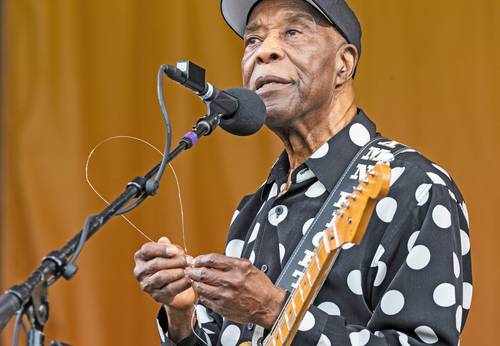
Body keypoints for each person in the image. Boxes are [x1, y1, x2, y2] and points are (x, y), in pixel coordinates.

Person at [133, 0, 472, 345]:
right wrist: (181, 317)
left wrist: (274, 310)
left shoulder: (414, 186)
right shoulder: (254, 209)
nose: (265, 52)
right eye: (253, 40)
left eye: (292, 32)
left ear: (344, 63)